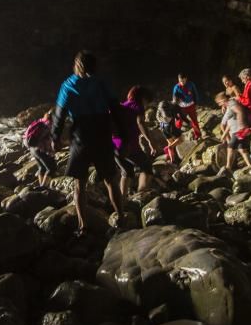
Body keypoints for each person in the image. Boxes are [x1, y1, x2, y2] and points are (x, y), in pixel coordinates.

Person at [51, 50, 126, 233]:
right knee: (110, 179)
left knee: (80, 183)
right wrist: (122, 131)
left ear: (77, 65)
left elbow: (59, 115)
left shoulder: (68, 84)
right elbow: (115, 108)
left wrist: (55, 138)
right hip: (101, 132)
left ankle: (83, 226)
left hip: (80, 136)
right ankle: (121, 218)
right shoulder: (101, 83)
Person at [113, 86, 158, 195]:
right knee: (147, 167)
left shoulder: (124, 105)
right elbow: (140, 122)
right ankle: (141, 195)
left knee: (126, 172)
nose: (147, 105)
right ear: (143, 98)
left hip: (114, 145)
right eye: (147, 102)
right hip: (128, 146)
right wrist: (150, 141)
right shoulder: (137, 106)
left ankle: (122, 202)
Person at [215, 92, 251, 173]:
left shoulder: (232, 103)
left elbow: (240, 111)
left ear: (223, 100)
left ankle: (228, 167)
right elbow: (229, 123)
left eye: (219, 102)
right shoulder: (229, 105)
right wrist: (225, 135)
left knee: (230, 148)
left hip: (239, 130)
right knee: (242, 149)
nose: (219, 105)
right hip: (239, 130)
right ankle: (250, 165)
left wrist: (242, 125)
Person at [24, 108, 57, 187]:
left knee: (41, 167)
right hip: (41, 149)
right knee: (51, 168)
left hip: (32, 148)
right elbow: (49, 139)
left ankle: (40, 186)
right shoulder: (50, 124)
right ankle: (43, 188)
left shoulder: (40, 120)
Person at [172, 73, 202, 140]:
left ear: (186, 79)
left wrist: (196, 103)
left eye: (183, 81)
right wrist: (175, 107)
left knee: (194, 121)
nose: (181, 82)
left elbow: (195, 93)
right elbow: (174, 99)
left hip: (191, 105)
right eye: (180, 81)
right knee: (179, 121)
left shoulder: (191, 84)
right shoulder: (176, 87)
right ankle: (175, 135)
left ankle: (198, 135)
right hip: (181, 107)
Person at [156, 99, 184, 165]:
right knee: (180, 139)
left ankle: (173, 161)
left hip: (163, 128)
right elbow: (177, 117)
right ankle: (169, 148)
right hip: (171, 127)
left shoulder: (158, 111)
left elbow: (159, 120)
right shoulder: (172, 107)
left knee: (170, 143)